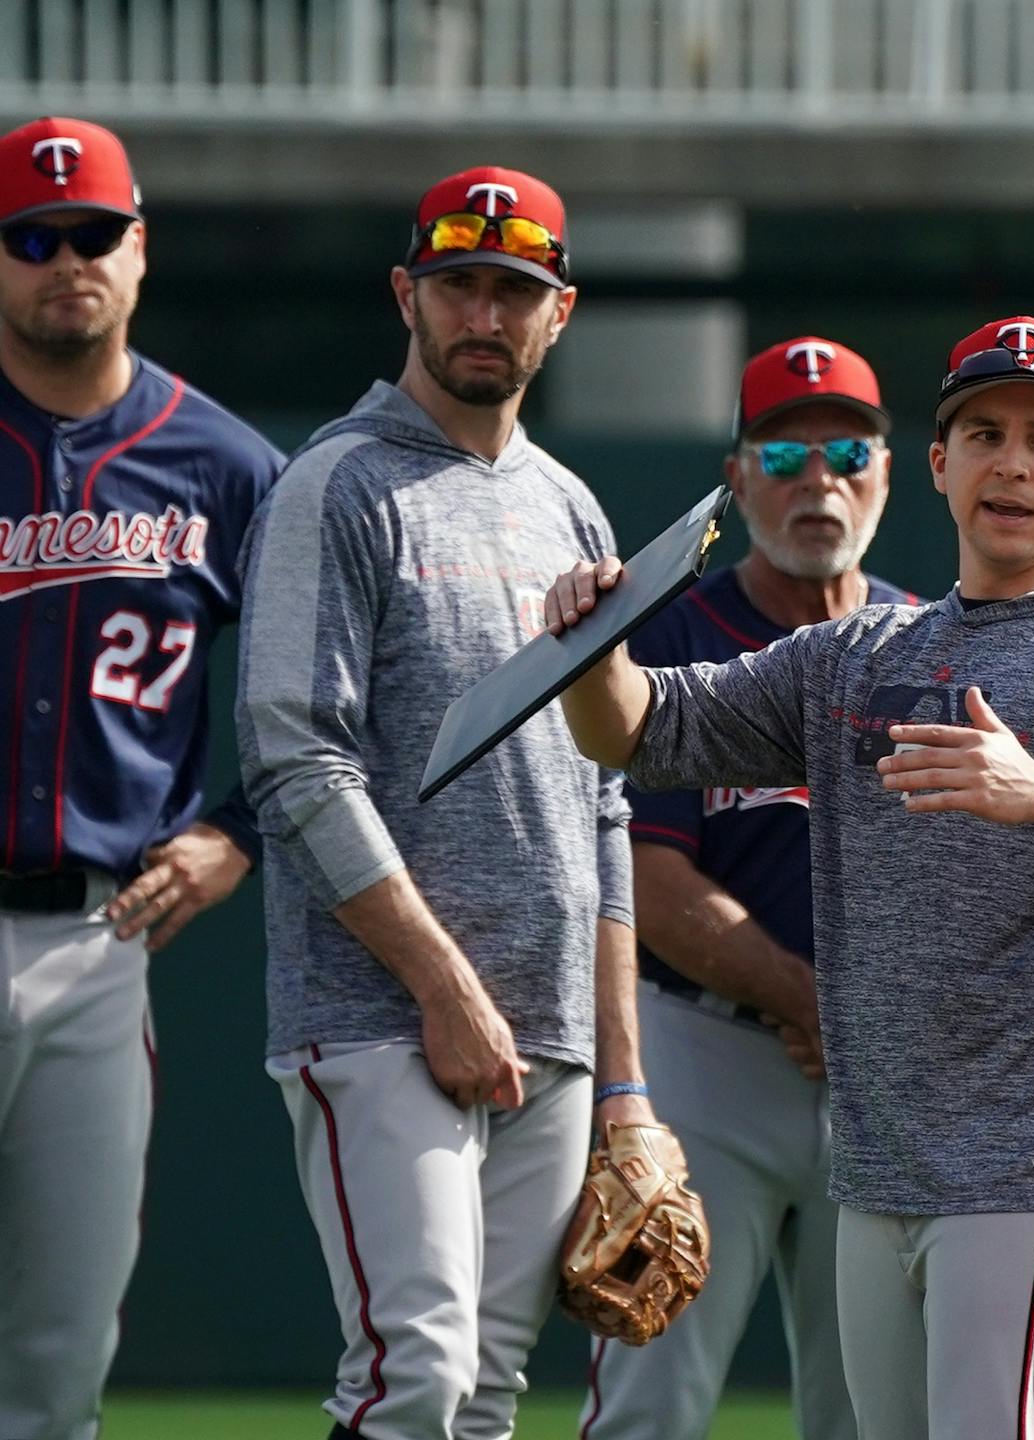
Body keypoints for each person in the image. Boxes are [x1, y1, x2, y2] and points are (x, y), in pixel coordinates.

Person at [541, 315, 1034, 1440]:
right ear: (940, 464)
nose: (1014, 462)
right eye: (984, 432)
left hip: (1030, 1162)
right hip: (878, 1167)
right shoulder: (862, 653)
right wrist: (592, 649)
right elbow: (638, 732)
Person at [235, 165, 655, 1440]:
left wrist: (626, 1083)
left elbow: (606, 807)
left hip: (550, 1031)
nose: (486, 313)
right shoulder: (338, 483)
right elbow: (293, 754)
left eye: (514, 291)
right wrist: (441, 986)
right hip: (378, 1012)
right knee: (411, 1375)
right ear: (405, 294)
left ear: (560, 313)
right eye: (460, 284)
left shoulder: (568, 504)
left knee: (484, 1395)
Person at [0, 115, 286, 1440]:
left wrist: (238, 831)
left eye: (93, 232)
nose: (67, 257)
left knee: (59, 1357)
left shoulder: (226, 467)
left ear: (141, 246)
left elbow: (324, 702)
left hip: (102, 937)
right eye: (32, 237)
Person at [578, 335, 913, 1440]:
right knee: (650, 1400)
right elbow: (648, 874)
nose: (818, 480)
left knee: (872, 1412)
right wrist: (805, 996)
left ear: (888, 468)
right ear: (736, 476)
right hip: (706, 1059)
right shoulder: (674, 633)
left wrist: (864, 1010)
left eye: (845, 451)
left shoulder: (926, 643)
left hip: (887, 1071)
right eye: (783, 454)